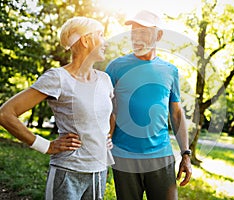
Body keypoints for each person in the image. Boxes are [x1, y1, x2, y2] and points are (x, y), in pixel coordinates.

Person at [0, 16, 114, 200]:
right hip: (68, 172)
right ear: (85, 40)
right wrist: (46, 145)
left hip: (99, 171)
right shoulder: (58, 78)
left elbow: (110, 114)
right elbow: (5, 114)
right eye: (100, 35)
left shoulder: (104, 80)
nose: (105, 42)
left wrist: (106, 136)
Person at [105, 10, 192, 200]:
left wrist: (185, 153)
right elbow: (103, 109)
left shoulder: (170, 71)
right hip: (124, 156)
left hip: (161, 156)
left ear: (158, 35)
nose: (137, 37)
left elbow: (176, 114)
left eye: (143, 32)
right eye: (134, 32)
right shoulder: (115, 67)